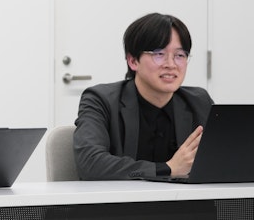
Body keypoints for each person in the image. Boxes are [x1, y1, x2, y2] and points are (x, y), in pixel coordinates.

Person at [74, 12, 214, 180]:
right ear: (133, 61)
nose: (171, 65)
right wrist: (167, 169)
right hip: (122, 196)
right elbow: (90, 164)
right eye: (159, 54)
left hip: (183, 198)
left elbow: (226, 156)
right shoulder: (101, 100)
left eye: (179, 55)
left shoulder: (199, 101)